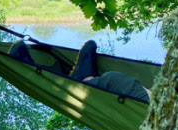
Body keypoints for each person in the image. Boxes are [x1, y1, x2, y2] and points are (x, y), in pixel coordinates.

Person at [8, 39, 150, 102]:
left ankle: (84, 80)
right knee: (116, 81)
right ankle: (87, 78)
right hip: (158, 106)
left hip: (157, 112)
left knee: (116, 81)